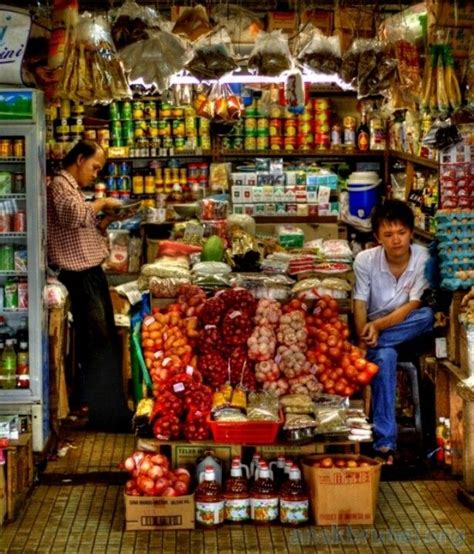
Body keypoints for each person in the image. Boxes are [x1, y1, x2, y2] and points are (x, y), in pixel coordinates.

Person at [47, 140, 132, 432]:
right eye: (94, 167)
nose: (95, 173)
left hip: (90, 274)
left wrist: (108, 218)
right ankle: (107, 416)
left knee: (103, 342)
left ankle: (109, 411)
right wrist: (101, 203)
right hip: (79, 276)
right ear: (80, 158)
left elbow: (83, 227)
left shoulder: (71, 189)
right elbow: (71, 216)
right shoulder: (59, 184)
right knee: (98, 345)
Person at [353, 200, 434, 465]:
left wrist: (374, 331)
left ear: (411, 232)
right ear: (377, 237)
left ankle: (370, 347)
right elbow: (360, 303)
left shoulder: (423, 258)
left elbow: (413, 304)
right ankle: (385, 445)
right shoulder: (365, 260)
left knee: (427, 316)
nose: (396, 239)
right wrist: (365, 331)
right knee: (385, 357)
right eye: (388, 234)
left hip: (407, 331)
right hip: (375, 334)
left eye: (401, 232)